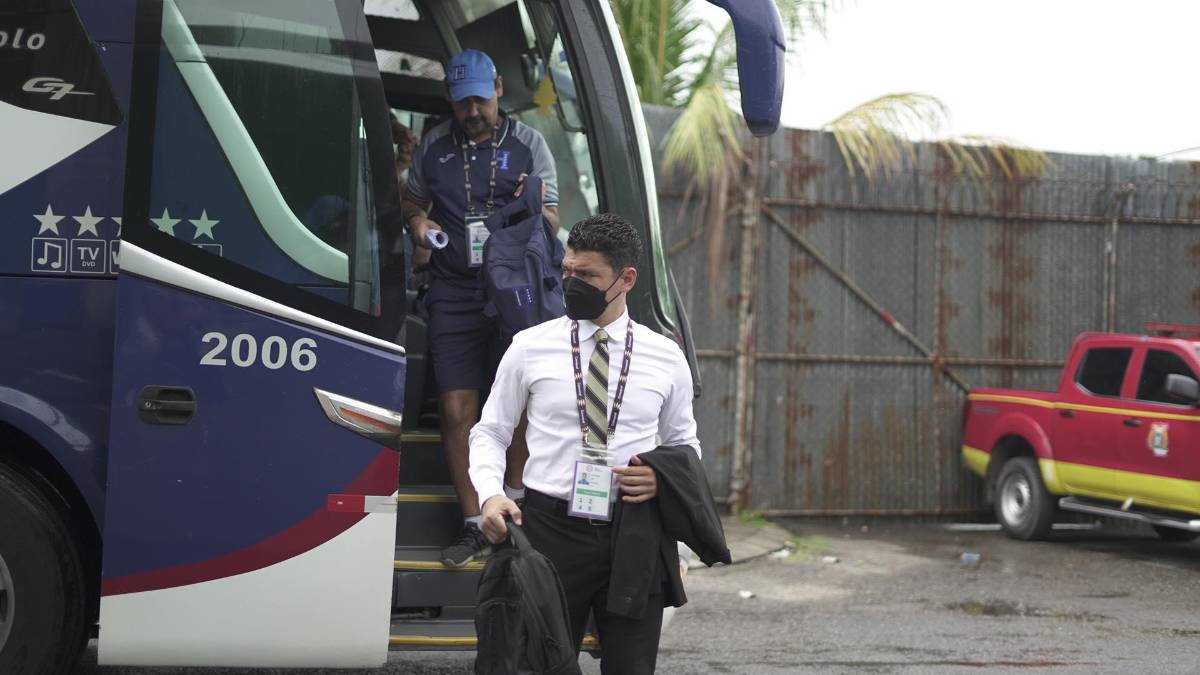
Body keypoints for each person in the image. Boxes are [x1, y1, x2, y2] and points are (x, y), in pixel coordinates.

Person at [469, 213, 702, 673]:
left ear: (626, 278)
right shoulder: (528, 346)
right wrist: (491, 495)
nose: (572, 284)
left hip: (634, 533)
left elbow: (685, 446)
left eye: (588, 276)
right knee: (536, 663)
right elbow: (490, 431)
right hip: (549, 532)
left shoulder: (665, 357)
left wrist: (661, 479)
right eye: (567, 272)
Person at [400, 49, 560, 567]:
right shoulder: (433, 148)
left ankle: (512, 506)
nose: (473, 111)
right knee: (455, 409)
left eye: (480, 99)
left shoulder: (530, 144)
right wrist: (418, 225)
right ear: (451, 98)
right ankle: (473, 524)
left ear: (497, 91)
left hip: (514, 289)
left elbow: (553, 218)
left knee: (516, 406)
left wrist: (527, 204)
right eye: (462, 101)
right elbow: (410, 202)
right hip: (453, 290)